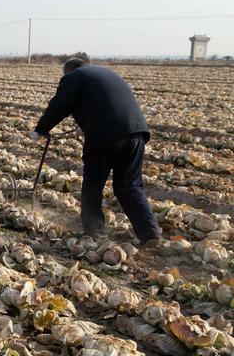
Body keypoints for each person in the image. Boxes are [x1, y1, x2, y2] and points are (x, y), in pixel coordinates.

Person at [29, 58, 161, 245]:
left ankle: (95, 234)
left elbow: (60, 105)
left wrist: (40, 129)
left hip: (105, 135)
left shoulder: (73, 77)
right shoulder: (106, 73)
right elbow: (107, 104)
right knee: (130, 185)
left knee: (93, 184)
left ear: (69, 71)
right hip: (137, 132)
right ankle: (150, 233)